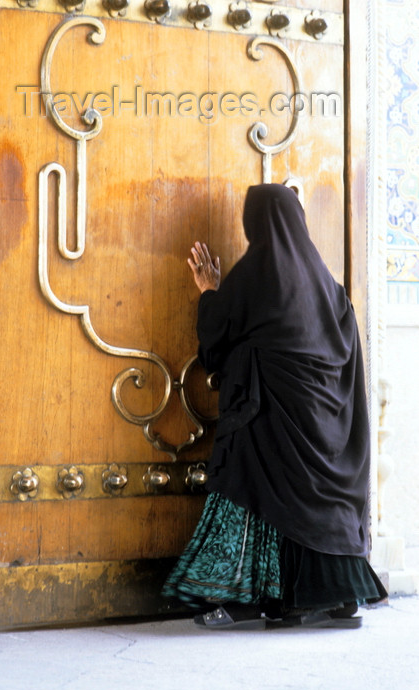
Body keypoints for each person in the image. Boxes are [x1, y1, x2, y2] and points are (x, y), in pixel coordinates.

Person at [162, 183, 387, 629]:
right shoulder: (329, 286)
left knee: (255, 485)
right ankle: (337, 595)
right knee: (314, 501)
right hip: (326, 431)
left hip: (269, 422)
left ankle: (256, 598)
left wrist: (209, 290)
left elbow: (216, 337)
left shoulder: (256, 275)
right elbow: (348, 354)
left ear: (254, 225)